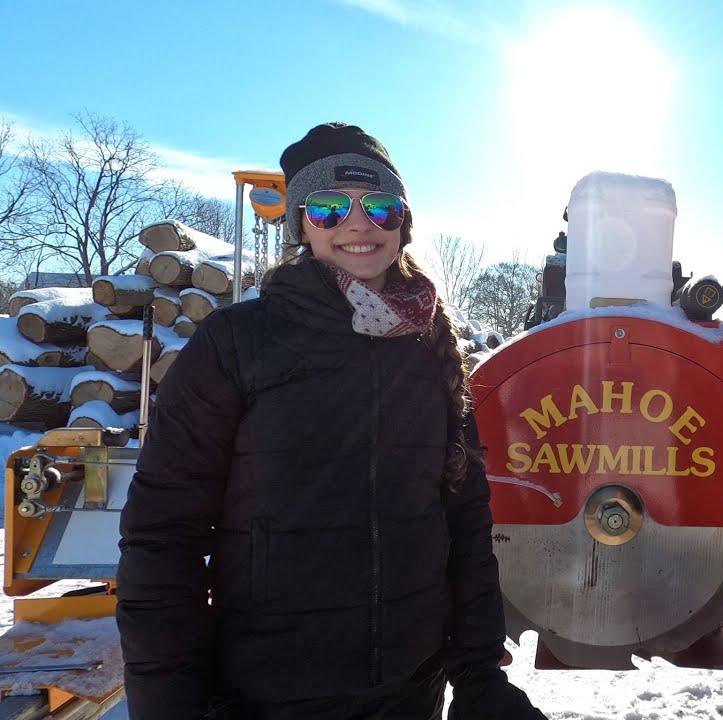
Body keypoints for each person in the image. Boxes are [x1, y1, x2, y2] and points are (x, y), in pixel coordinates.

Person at [117, 122, 548, 720]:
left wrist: (478, 675)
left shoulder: (431, 350)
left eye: (381, 206)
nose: (358, 223)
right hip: (268, 696)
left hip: (410, 691)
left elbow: (465, 523)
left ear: (403, 223)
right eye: (327, 207)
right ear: (300, 223)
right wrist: (169, 705)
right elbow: (163, 537)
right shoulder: (236, 345)